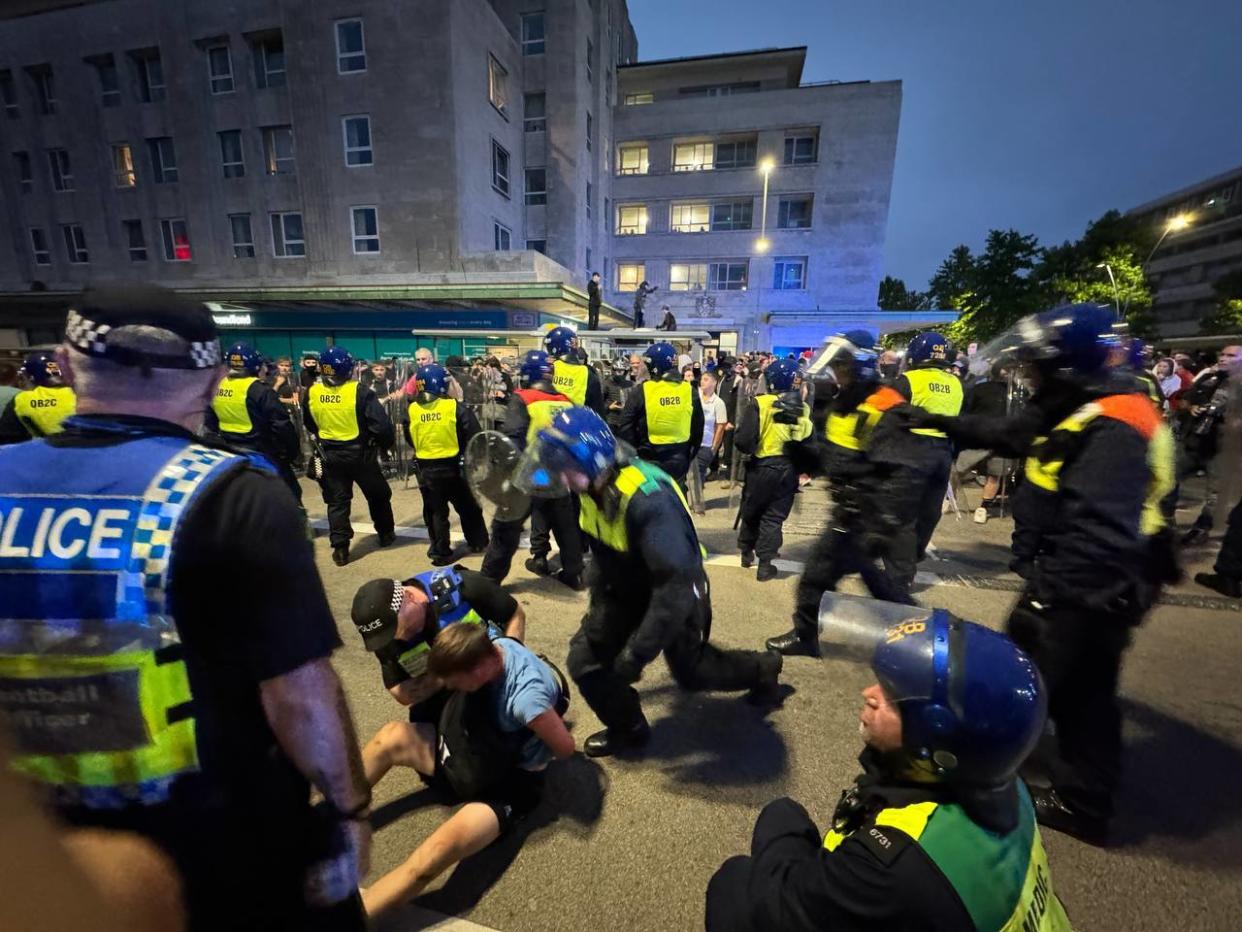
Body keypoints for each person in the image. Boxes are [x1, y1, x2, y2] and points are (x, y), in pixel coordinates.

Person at [0, 285, 371, 930]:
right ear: (212, 379)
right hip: (222, 846)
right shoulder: (237, 494)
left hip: (44, 850)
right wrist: (349, 808)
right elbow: (300, 696)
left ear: (65, 362)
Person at [896, 304, 1177, 843]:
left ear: (1065, 367)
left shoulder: (1116, 424)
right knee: (1076, 690)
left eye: (1035, 367)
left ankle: (1004, 787)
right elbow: (1013, 434)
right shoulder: (1081, 401)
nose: (1028, 376)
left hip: (1097, 582)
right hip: (1082, 576)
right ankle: (1074, 788)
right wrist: (939, 422)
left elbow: (1101, 529)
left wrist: (1053, 598)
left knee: (1059, 688)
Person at [707, 598, 1070, 932]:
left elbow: (768, 906)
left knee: (733, 885)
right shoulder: (1002, 785)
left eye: (893, 696)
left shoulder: (890, 867)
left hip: (898, 889)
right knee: (784, 816)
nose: (870, 693)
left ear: (936, 741)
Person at [522, 407, 783, 757]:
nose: (561, 479)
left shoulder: (650, 500)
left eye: (565, 470)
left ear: (589, 461)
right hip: (624, 586)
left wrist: (637, 653)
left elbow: (675, 588)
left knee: (692, 673)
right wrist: (600, 607)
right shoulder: (590, 486)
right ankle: (628, 726)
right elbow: (603, 549)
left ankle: (763, 669)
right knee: (586, 660)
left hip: (676, 588)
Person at [346, 572, 571, 917]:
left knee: (433, 855)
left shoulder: (524, 698)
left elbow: (565, 746)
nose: (396, 639)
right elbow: (405, 694)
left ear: (472, 671)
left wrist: (535, 724)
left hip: (503, 784)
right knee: (390, 738)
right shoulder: (475, 671)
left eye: (452, 681)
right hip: (460, 745)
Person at [766, 332, 916, 658]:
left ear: (860, 366)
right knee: (857, 581)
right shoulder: (841, 405)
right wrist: (797, 445)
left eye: (842, 366)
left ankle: (922, 639)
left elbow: (904, 470)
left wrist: (885, 521)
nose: (836, 373)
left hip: (873, 515)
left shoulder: (886, 406)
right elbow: (826, 460)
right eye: (835, 366)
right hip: (850, 513)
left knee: (868, 584)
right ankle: (919, 636)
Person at [479, 350, 584, 590]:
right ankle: (574, 573)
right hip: (559, 475)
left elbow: (512, 441)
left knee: (505, 530)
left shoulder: (523, 398)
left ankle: (489, 581)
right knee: (566, 528)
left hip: (530, 475)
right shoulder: (565, 401)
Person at [880, 332, 963, 594]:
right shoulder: (958, 384)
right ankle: (913, 555)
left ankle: (899, 577)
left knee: (903, 517)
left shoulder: (906, 381)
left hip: (911, 451)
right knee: (929, 511)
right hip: (942, 453)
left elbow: (885, 419)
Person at [304, 345, 396, 566]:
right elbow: (381, 426)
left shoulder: (312, 391)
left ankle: (341, 548)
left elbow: (309, 422)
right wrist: (385, 446)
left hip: (329, 455)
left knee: (337, 502)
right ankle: (385, 534)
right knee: (378, 495)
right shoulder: (360, 391)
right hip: (361, 455)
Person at [734, 358, 814, 580]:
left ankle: (746, 552)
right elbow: (808, 442)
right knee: (774, 517)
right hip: (788, 470)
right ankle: (766, 564)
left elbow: (743, 440)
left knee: (752, 511)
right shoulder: (803, 408)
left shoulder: (759, 403)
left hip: (761, 467)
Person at [405, 363, 490, 565]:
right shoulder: (456, 408)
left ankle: (440, 552)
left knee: (435, 512)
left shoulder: (412, 410)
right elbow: (475, 437)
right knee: (468, 507)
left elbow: (410, 438)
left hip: (426, 470)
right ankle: (477, 542)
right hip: (455, 469)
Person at [204, 342, 303, 506]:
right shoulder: (260, 390)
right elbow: (282, 426)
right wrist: (292, 454)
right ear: (255, 366)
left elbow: (210, 420)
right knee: (290, 497)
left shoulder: (217, 386)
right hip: (263, 454)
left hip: (230, 453)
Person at [1175, 344, 1237, 546]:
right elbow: (1182, 400)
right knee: (1166, 478)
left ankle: (1201, 528)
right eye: (1223, 354)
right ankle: (1164, 522)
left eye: (1231, 355)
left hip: (1223, 449)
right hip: (1193, 443)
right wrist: (1191, 407)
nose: (1223, 358)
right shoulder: (1207, 378)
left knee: (1215, 495)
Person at [617, 341, 704, 485]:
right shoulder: (690, 391)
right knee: (677, 500)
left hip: (648, 460)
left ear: (655, 366)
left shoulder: (641, 391)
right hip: (679, 460)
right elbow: (697, 429)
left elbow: (625, 427)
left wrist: (635, 455)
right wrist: (687, 455)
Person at [0, 350, 77, 444]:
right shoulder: (81, 395)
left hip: (42, 452)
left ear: (30, 377)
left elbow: (8, 438)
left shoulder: (22, 399)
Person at [543, 326, 606, 415]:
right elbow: (598, 413)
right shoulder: (588, 374)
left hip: (550, 424)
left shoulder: (547, 370)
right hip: (578, 424)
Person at [693, 370, 728, 512]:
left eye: (706, 379)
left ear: (714, 382)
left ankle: (698, 504)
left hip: (706, 444)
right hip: (692, 442)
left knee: (699, 475)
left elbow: (720, 426)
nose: (702, 382)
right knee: (688, 475)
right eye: (702, 379)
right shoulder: (696, 398)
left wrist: (714, 447)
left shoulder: (718, 403)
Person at [603, 355, 632, 434]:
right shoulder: (607, 383)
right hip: (611, 420)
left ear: (625, 371)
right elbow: (599, 403)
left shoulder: (631, 385)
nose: (619, 373)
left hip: (626, 422)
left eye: (621, 370)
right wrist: (609, 407)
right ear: (613, 370)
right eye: (617, 370)